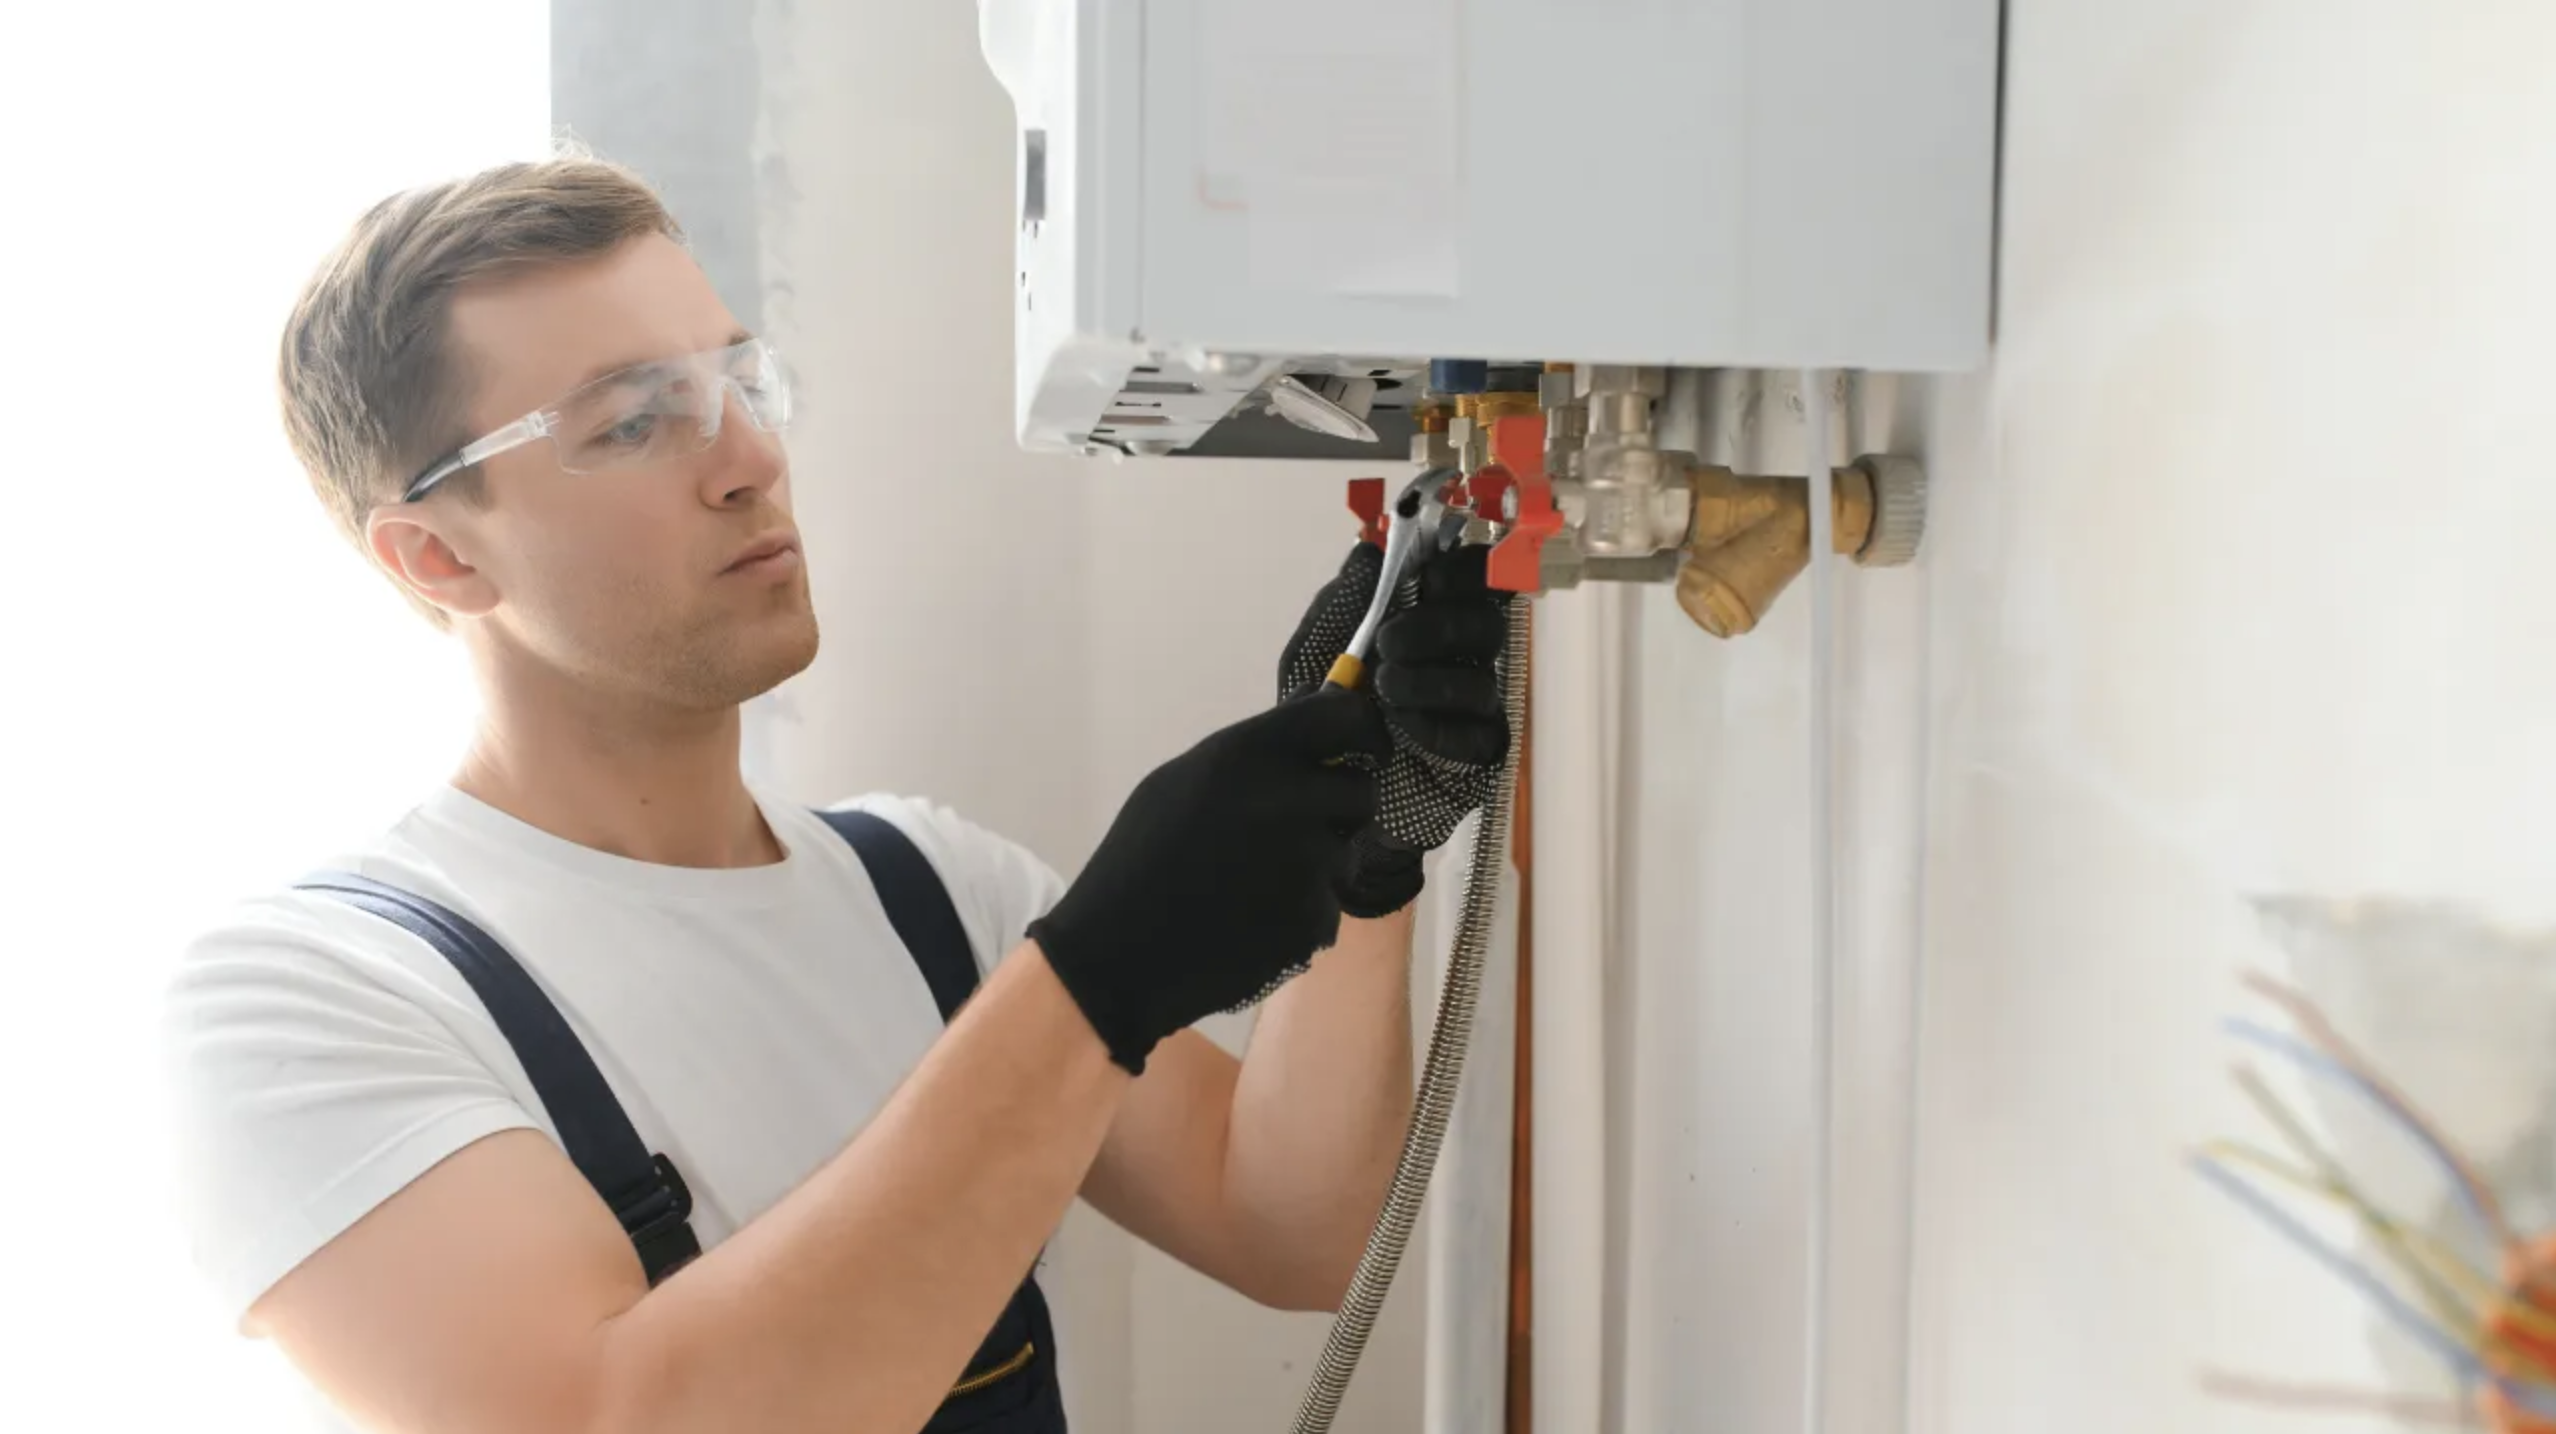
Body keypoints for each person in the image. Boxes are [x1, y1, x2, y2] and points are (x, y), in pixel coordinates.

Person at [158, 152, 1512, 1434]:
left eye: (739, 381)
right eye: (637, 420)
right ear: (437, 557)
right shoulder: (308, 998)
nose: (749, 458)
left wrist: (1371, 847)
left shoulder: (928, 889)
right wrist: (1093, 985)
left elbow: (1294, 1228)